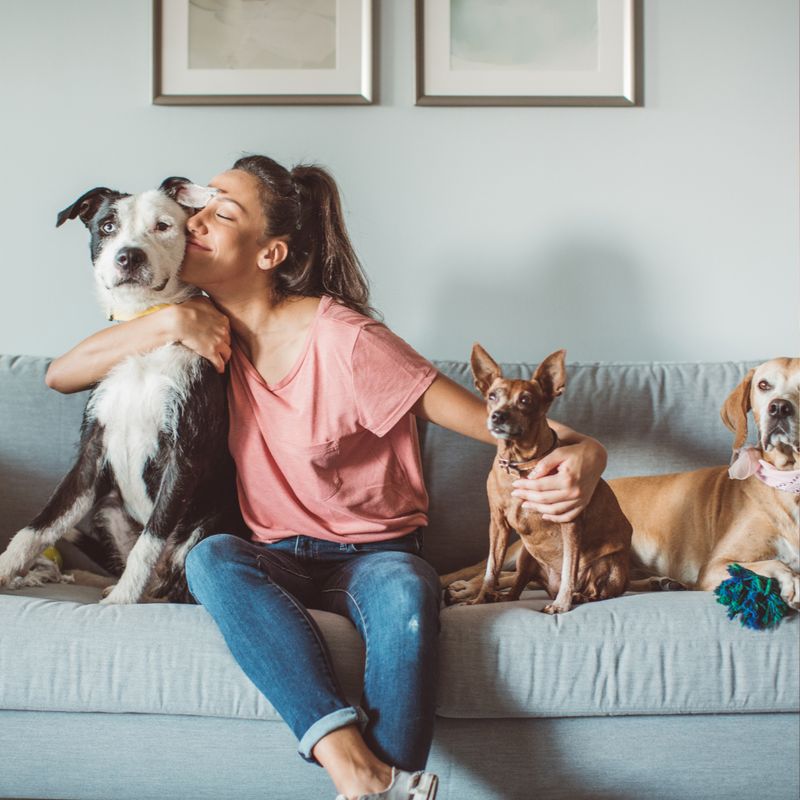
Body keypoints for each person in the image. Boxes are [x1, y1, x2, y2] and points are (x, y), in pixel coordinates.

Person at [46, 155, 608, 800]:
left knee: (406, 591)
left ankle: (378, 786)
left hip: (373, 556)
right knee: (211, 559)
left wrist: (589, 454)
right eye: (199, 208)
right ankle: (357, 768)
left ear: (269, 253)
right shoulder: (197, 325)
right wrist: (170, 320)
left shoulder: (348, 340)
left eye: (221, 213)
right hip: (271, 555)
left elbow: (500, 425)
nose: (195, 220)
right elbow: (61, 375)